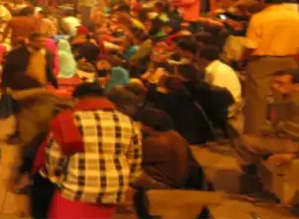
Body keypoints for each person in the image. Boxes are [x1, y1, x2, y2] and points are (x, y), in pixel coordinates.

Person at [43, 83, 142, 218]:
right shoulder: (127, 122)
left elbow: (54, 159)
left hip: (75, 192)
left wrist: (56, 178)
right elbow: (134, 162)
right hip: (112, 194)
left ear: (77, 99)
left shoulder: (68, 120)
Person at [242, 0, 299, 133]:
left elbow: (251, 45)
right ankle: (284, 132)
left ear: (262, 1)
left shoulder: (259, 18)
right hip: (290, 59)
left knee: (257, 101)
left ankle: (254, 135)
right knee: (286, 99)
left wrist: (244, 58)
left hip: (262, 61)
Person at [236, 69, 299, 167]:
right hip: (295, 140)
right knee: (252, 138)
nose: (274, 86)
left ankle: (252, 172)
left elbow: (291, 134)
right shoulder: (287, 99)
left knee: (245, 141)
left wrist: (266, 137)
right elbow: (278, 127)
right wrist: (264, 133)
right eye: (274, 83)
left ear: (297, 86)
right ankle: (256, 170)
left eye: (280, 83)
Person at [132, 108, 192, 191]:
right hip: (176, 182)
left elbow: (132, 156)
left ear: (148, 127)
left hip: (163, 186)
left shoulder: (157, 142)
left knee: (126, 172)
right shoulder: (175, 135)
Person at [196, 45, 242, 112]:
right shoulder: (216, 67)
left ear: (204, 58)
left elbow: (217, 95)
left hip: (229, 105)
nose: (197, 59)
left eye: (198, 56)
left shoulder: (217, 70)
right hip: (227, 101)